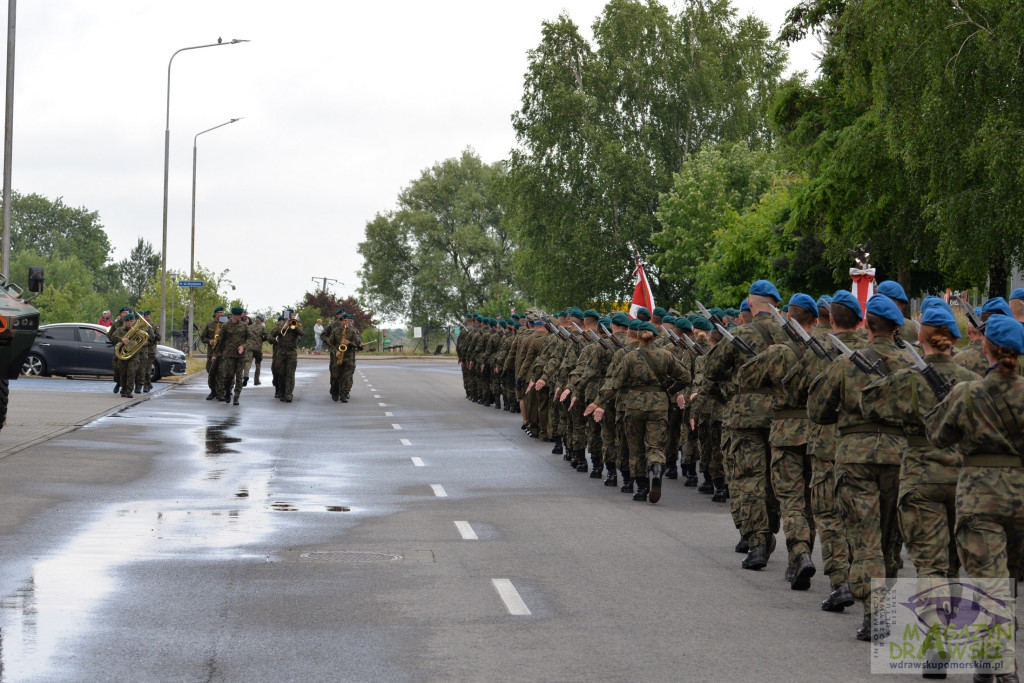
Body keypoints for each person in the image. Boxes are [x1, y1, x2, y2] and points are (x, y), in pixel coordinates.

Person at [926, 314, 1024, 683]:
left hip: (980, 498)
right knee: (1006, 584)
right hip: (1020, 498)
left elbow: (937, 435)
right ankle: (988, 660)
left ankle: (1004, 667)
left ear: (986, 347)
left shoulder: (968, 391)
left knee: (990, 583)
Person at [808, 293, 911, 641]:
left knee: (866, 544)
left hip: (855, 458)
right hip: (900, 457)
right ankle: (886, 605)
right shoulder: (913, 365)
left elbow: (818, 411)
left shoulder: (847, 363)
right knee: (889, 541)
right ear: (898, 326)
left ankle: (875, 614)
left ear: (867, 325)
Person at [704, 279, 789, 570]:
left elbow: (710, 371)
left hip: (745, 417)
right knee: (777, 481)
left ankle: (757, 543)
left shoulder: (738, 335)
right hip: (784, 416)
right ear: (776, 304)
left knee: (751, 479)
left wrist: (729, 394)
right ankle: (773, 532)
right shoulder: (791, 336)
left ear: (750, 305)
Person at [586, 319, 690, 504]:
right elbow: (685, 377)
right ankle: (656, 469)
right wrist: (671, 390)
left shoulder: (629, 357)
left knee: (636, 449)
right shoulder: (665, 355)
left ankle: (641, 488)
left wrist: (597, 401)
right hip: (658, 405)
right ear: (656, 337)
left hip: (633, 405)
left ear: (638, 338)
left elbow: (614, 383)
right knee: (655, 446)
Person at [212, 306, 249, 405]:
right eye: (239, 315)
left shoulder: (244, 326)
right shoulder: (226, 326)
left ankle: (236, 397)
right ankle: (228, 392)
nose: (241, 316)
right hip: (228, 355)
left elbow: (249, 339)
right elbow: (220, 341)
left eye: (241, 315)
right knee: (228, 376)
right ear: (235, 315)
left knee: (239, 377)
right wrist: (215, 354)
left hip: (240, 356)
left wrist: (243, 346)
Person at [271, 310, 302, 402]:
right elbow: (272, 334)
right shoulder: (279, 325)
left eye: (292, 314)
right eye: (288, 315)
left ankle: (288, 394)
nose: (290, 316)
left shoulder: (296, 324)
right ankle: (282, 391)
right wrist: (284, 326)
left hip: (292, 352)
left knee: (290, 374)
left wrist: (294, 325)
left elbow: (302, 333)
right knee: (280, 373)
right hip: (281, 352)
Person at [200, 306, 226, 401]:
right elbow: (203, 337)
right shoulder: (210, 324)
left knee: (221, 373)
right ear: (215, 313)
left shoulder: (226, 325)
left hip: (222, 353)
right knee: (210, 372)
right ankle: (213, 391)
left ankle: (220, 393)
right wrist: (209, 341)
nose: (220, 314)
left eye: (222, 312)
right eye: (219, 312)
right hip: (211, 353)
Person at [243, 314, 268, 386]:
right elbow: (266, 336)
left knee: (247, 362)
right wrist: (261, 340)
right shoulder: (262, 328)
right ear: (261, 321)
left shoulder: (249, 327)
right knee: (258, 364)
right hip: (258, 348)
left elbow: (245, 336)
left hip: (249, 347)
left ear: (255, 321)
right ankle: (256, 380)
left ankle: (246, 376)